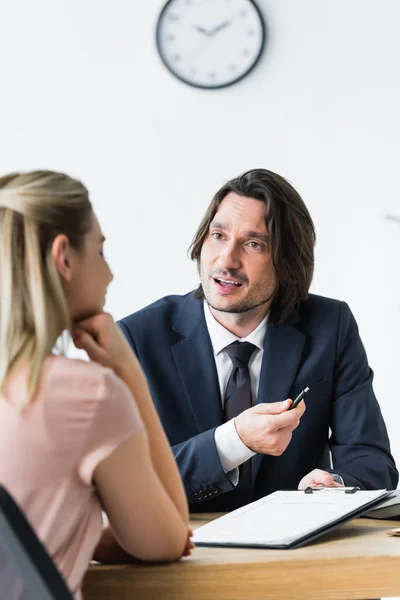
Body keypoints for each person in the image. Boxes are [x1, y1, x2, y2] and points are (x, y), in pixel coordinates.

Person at [119, 168, 398, 513]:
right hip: (184, 552)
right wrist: (235, 441)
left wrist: (336, 485)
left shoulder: (330, 326)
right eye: (218, 235)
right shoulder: (137, 338)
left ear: (288, 261)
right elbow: (128, 483)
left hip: (297, 556)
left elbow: (371, 460)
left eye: (254, 244)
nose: (227, 260)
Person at [0, 171, 191, 600]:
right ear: (63, 256)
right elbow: (169, 540)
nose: (109, 274)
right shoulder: (85, 395)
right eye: (101, 251)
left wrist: (80, 531)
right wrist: (129, 373)